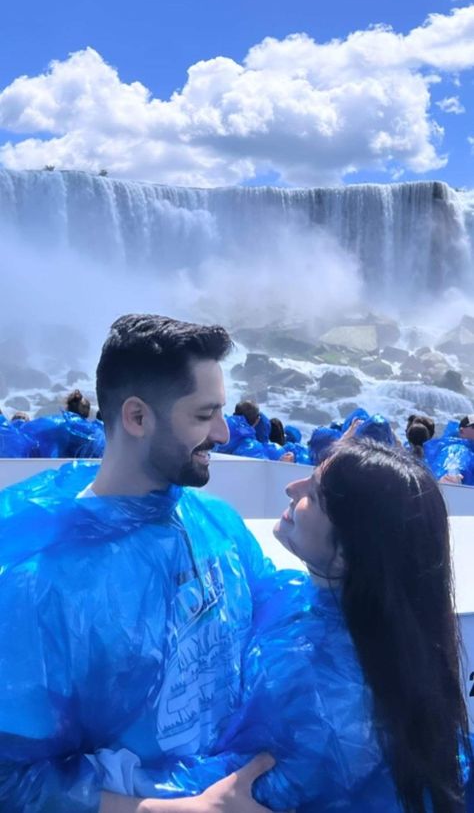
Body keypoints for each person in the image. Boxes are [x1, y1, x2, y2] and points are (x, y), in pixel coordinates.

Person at [0, 314, 281, 813]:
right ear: (136, 417)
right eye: (204, 414)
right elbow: (11, 783)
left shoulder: (215, 522)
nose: (223, 432)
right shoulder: (38, 585)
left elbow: (276, 622)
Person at [131, 440, 471, 811]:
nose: (292, 488)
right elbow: (256, 577)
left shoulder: (327, 696)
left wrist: (87, 785)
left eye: (315, 494)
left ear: (346, 554)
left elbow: (224, 795)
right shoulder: (361, 623)